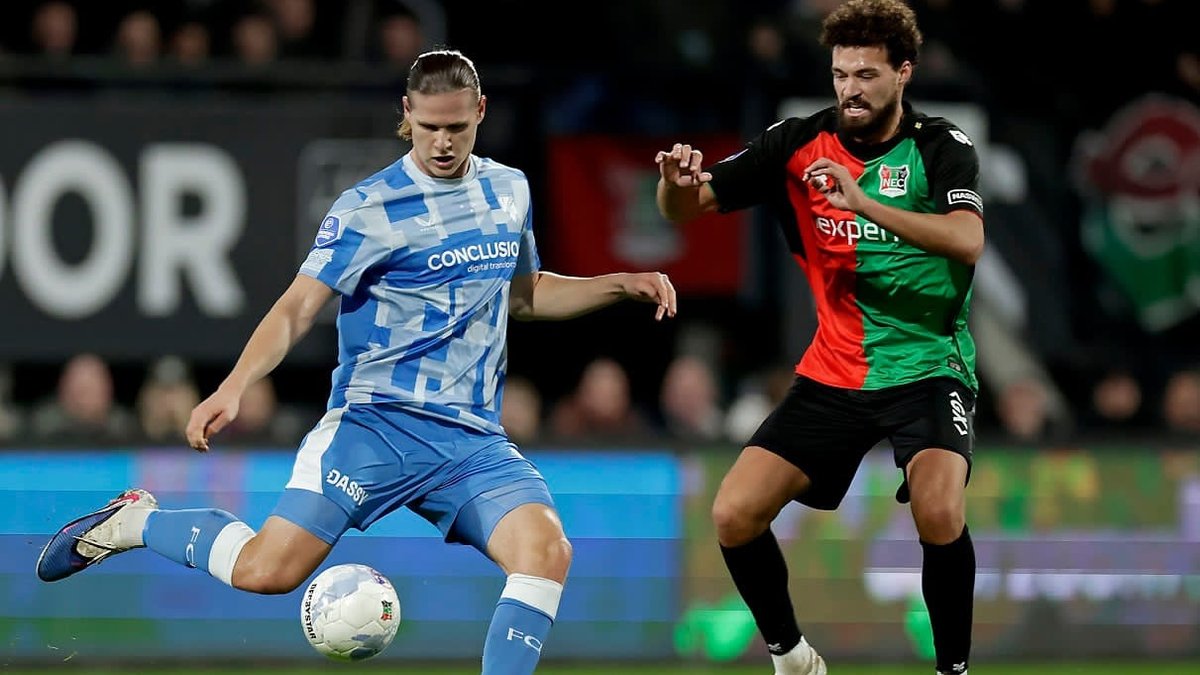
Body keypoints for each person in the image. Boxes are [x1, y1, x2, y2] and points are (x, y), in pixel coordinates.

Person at [37, 48, 677, 675]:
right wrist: (234, 385)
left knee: (546, 552)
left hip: (471, 442)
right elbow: (297, 307)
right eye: (429, 127)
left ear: (481, 111)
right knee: (266, 571)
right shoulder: (369, 207)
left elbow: (523, 294)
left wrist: (618, 283)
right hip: (374, 429)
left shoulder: (509, 190)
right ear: (407, 113)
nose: (443, 142)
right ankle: (136, 522)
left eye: (457, 127)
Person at [655, 2, 982, 674]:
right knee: (734, 513)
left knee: (939, 508)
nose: (850, 89)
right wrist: (672, 186)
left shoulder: (941, 147)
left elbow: (967, 239)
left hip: (928, 365)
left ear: (903, 73)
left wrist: (864, 204)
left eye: (866, 74)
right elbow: (689, 207)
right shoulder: (796, 143)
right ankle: (793, 657)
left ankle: (953, 670)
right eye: (840, 74)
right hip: (835, 370)